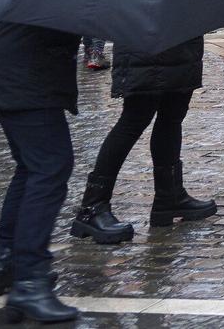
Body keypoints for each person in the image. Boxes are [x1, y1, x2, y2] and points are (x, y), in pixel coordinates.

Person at [0, 17, 82, 322]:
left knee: (31, 166)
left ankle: (10, 262)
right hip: (25, 71)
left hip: (10, 64)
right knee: (51, 166)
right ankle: (29, 281)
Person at [70, 37, 215, 247]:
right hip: (145, 46)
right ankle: (93, 206)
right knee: (134, 120)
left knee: (172, 116)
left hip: (183, 45)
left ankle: (169, 197)